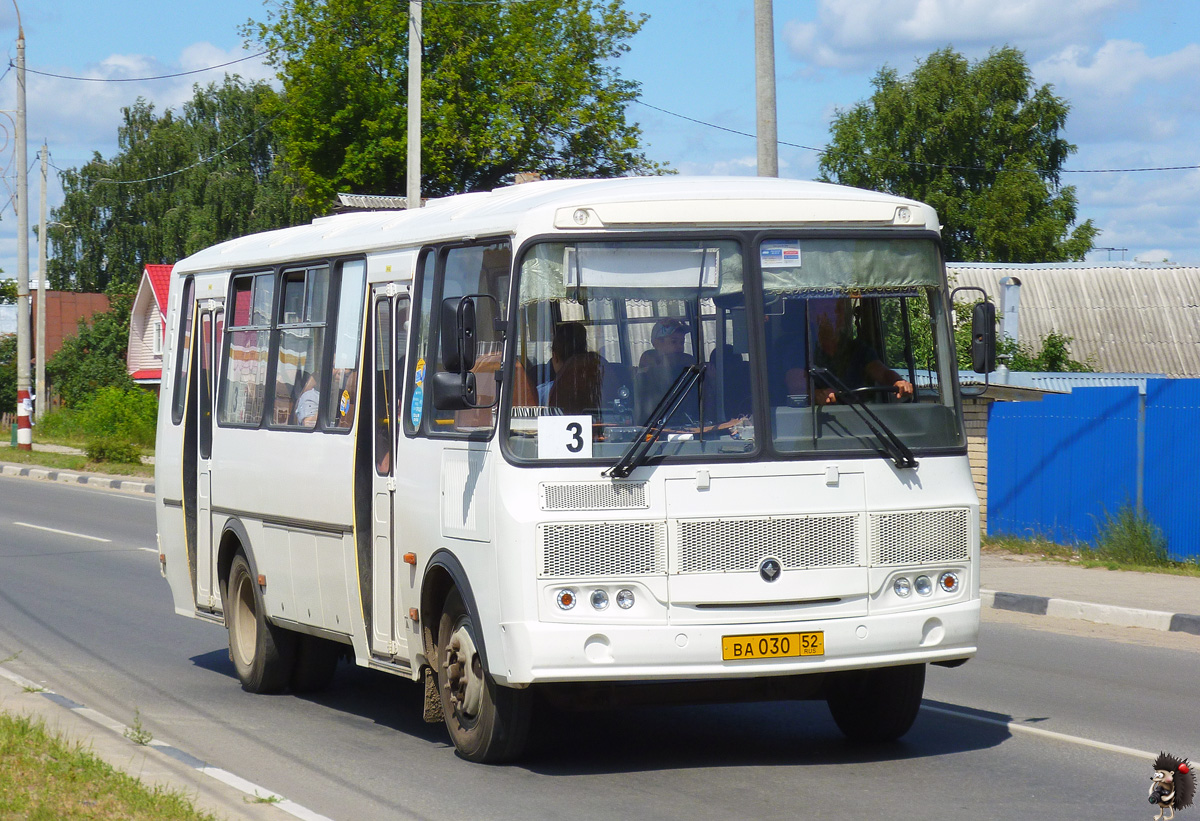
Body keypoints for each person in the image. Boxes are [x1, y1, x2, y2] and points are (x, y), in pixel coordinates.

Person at [785, 298, 913, 405]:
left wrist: (898, 382)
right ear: (812, 315)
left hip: (861, 422)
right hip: (815, 424)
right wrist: (817, 394)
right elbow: (796, 387)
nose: (835, 315)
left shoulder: (858, 349)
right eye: (827, 310)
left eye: (839, 310)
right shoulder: (799, 348)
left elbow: (883, 373)